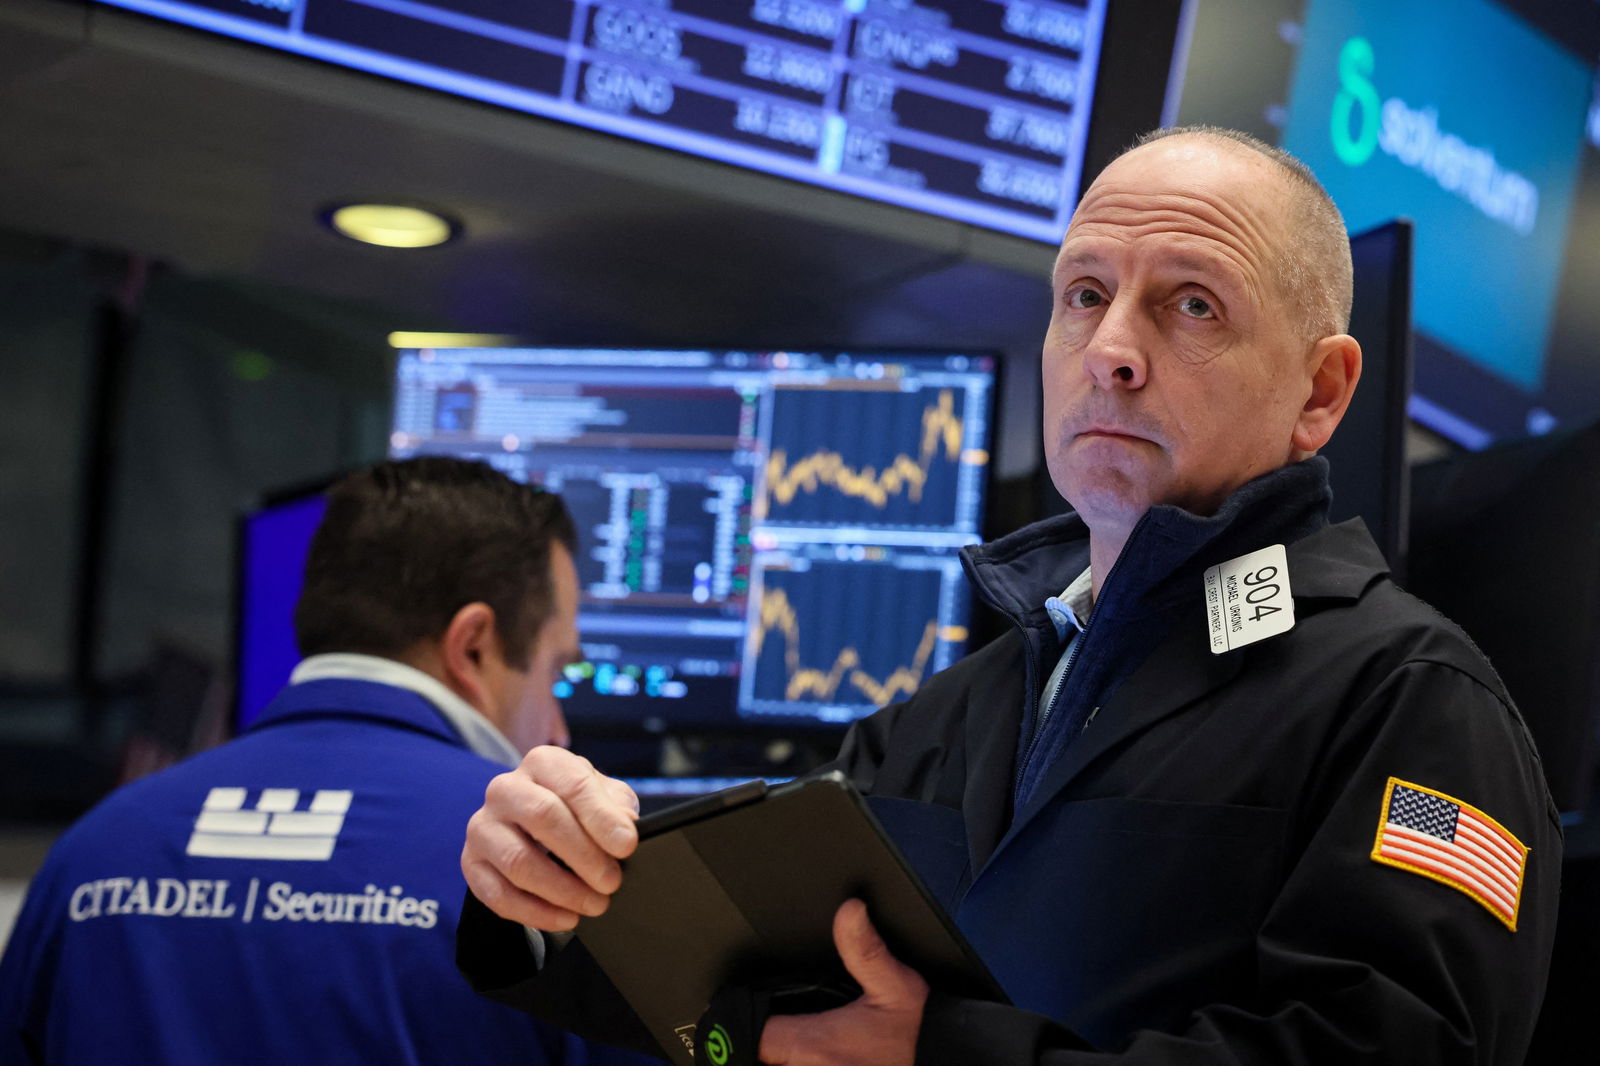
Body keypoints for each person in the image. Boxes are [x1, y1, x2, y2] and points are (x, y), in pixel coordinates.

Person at [452, 128, 1563, 1064]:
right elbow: (755, 986)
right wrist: (546, 887)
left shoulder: (1413, 703)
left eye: (1190, 305)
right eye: (1085, 294)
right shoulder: (958, 707)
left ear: (1319, 392)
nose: (1111, 350)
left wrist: (946, 1052)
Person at [0, 457, 651, 1065]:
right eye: (556, 671)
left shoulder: (91, 853)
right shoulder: (545, 881)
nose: (559, 728)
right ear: (474, 646)